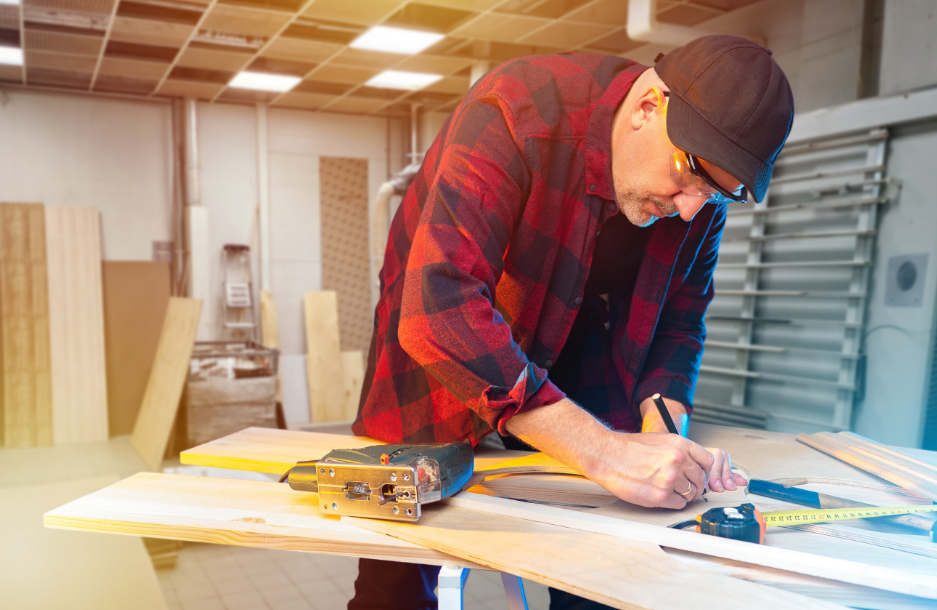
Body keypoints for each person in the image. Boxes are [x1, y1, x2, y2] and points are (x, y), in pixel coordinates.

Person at [349, 35, 794, 610]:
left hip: (585, 360)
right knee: (396, 585)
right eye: (690, 175)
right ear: (647, 107)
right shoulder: (515, 110)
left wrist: (662, 429)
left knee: (602, 576)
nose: (690, 208)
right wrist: (604, 453)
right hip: (444, 361)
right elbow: (439, 302)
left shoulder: (696, 192)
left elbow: (681, 323)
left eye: (715, 193)